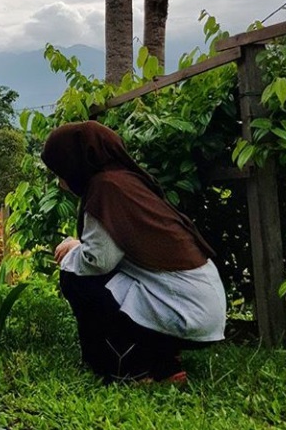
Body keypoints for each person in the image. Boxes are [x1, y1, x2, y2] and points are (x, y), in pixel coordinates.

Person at [41, 120, 226, 384]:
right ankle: (164, 366)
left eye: (62, 172)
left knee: (75, 277)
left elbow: (98, 261)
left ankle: (128, 369)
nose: (61, 184)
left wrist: (71, 252)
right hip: (201, 308)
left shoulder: (105, 188)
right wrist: (79, 246)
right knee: (103, 278)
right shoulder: (126, 181)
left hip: (185, 313)